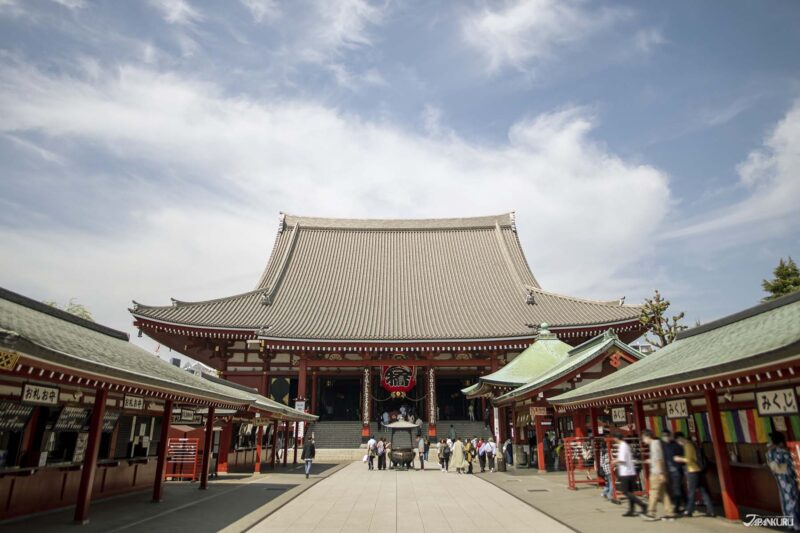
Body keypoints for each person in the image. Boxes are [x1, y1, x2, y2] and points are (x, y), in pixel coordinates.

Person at [674, 434, 715, 517]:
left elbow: (689, 459)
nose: (679, 444)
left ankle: (689, 510)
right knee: (703, 491)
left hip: (692, 470)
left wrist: (679, 459)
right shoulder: (693, 444)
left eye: (678, 442)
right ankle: (711, 510)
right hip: (698, 470)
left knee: (691, 492)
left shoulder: (688, 445)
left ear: (680, 439)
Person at [766, 431, 800, 530]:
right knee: (793, 500)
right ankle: (796, 524)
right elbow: (792, 466)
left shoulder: (769, 453)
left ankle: (789, 523)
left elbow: (772, 465)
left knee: (784, 500)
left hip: (779, 479)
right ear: (781, 442)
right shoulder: (784, 452)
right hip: (789, 479)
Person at [611, 432, 647, 517]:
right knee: (630, 492)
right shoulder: (625, 445)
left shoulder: (622, 446)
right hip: (630, 471)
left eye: (614, 438)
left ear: (616, 438)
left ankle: (642, 504)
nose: (614, 440)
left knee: (625, 491)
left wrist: (614, 461)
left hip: (626, 472)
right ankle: (631, 510)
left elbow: (622, 459)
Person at [642, 429, 675, 521]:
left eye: (643, 438)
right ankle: (670, 513)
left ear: (647, 437)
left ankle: (651, 513)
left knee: (653, 493)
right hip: (658, 472)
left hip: (656, 473)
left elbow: (658, 460)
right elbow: (657, 459)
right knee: (663, 494)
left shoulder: (654, 445)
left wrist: (661, 473)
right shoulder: (656, 444)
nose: (643, 441)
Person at [661, 430, 686, 513]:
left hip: (676, 469)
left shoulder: (675, 445)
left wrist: (679, 459)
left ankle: (678, 506)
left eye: (667, 435)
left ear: (670, 436)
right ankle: (686, 503)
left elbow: (682, 455)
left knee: (677, 488)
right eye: (664, 435)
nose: (666, 437)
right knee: (677, 488)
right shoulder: (663, 445)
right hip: (668, 470)